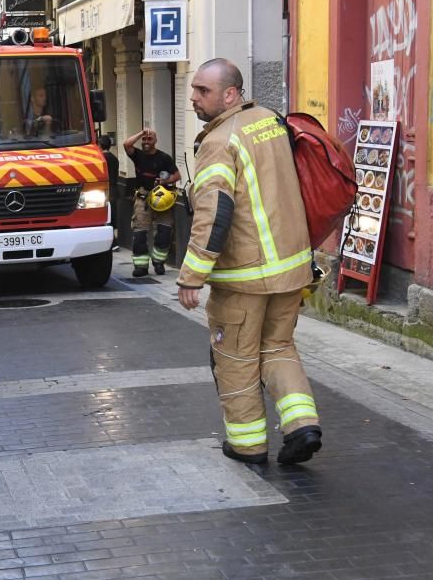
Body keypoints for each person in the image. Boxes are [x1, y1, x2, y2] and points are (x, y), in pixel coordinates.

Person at [177, 58, 322, 466]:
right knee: (278, 347)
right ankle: (302, 425)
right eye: (193, 90)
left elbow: (214, 212)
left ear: (230, 94)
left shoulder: (220, 140)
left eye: (203, 91)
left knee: (236, 361)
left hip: (245, 278)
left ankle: (248, 445)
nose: (193, 98)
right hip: (291, 269)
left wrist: (191, 276)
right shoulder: (271, 122)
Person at [123, 127, 180, 276]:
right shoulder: (138, 155)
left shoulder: (164, 158)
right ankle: (141, 267)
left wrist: (166, 180)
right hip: (143, 200)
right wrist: (141, 133)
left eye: (150, 139)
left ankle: (158, 262)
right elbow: (126, 145)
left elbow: (177, 175)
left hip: (163, 200)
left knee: (164, 233)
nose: (146, 141)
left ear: (155, 141)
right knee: (140, 234)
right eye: (144, 139)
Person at [99, 135, 121, 251]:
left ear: (100, 145)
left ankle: (111, 243)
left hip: (106, 191)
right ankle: (115, 242)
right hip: (114, 189)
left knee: (105, 217)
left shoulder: (101, 159)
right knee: (113, 217)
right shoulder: (114, 158)